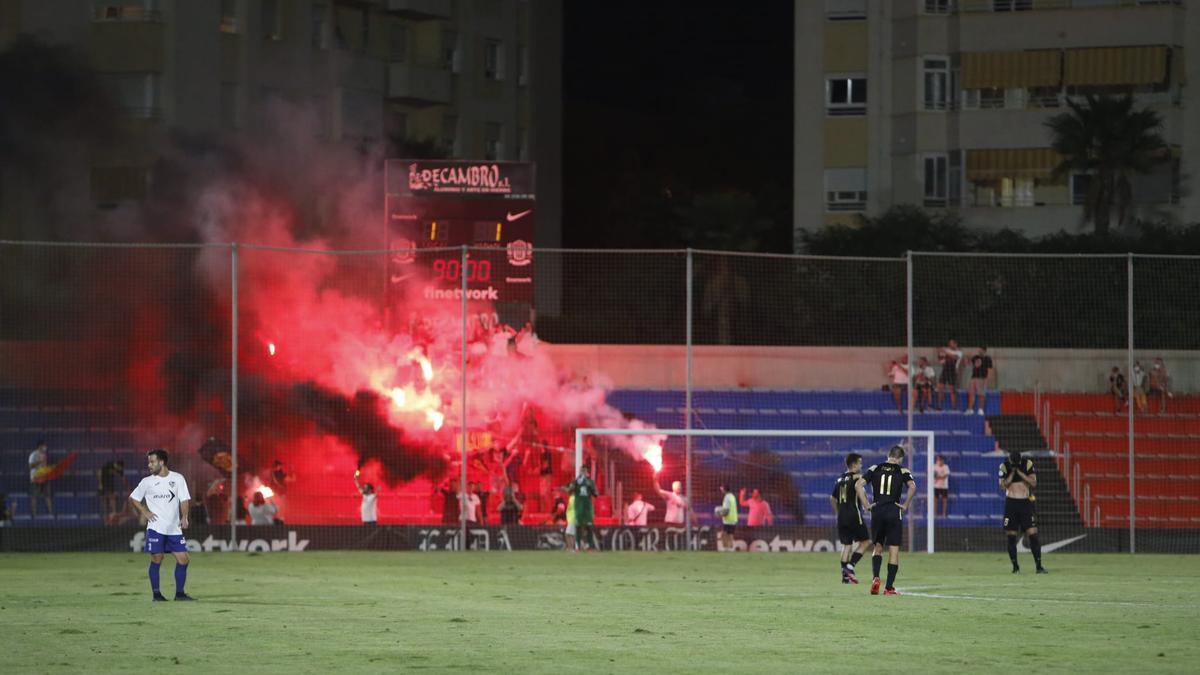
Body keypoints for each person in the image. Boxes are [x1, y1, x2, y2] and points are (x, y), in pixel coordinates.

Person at [127, 448, 194, 601]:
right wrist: (144, 512)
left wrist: (184, 517)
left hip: (174, 529)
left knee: (184, 559)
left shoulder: (178, 478)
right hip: (156, 528)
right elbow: (134, 498)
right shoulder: (147, 482)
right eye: (149, 462)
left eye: (152, 462)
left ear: (162, 462)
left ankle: (180, 594)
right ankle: (157, 595)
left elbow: (184, 499)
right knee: (157, 558)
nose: (149, 465)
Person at [855, 445, 917, 596]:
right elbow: (913, 487)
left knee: (878, 547)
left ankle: (876, 577)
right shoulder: (903, 470)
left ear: (888, 455)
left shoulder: (875, 468)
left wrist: (866, 505)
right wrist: (905, 505)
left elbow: (858, 485)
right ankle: (889, 588)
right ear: (900, 458)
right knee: (894, 550)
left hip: (877, 511)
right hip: (893, 511)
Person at [999, 450, 1047, 574]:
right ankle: (1015, 567)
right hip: (1011, 504)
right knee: (1011, 537)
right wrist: (1012, 473)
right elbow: (1003, 485)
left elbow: (1033, 482)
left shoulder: (1027, 464)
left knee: (1033, 535)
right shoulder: (1004, 466)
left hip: (1025, 503)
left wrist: (1019, 472)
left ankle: (1039, 566)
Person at [831, 453, 871, 584]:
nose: (861, 465)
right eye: (860, 463)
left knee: (846, 545)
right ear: (854, 464)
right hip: (854, 515)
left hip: (841, 516)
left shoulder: (839, 480)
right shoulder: (857, 478)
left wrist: (838, 512)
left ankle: (845, 576)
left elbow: (832, 499)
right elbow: (860, 492)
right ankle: (850, 566)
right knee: (865, 542)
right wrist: (867, 506)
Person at [565, 465, 600, 551]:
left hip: (588, 509)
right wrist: (573, 486)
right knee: (578, 527)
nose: (583, 473)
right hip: (579, 509)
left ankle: (590, 547)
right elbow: (569, 491)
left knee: (589, 527)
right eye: (582, 471)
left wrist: (591, 487)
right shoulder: (576, 482)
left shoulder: (590, 482)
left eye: (584, 471)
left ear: (587, 472)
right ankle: (578, 547)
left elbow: (596, 494)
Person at [965, 346, 995, 415]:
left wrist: (987, 379)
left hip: (982, 378)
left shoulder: (988, 358)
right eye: (978, 349)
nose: (978, 350)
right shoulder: (975, 357)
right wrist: (967, 357)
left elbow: (989, 370)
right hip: (973, 378)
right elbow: (967, 364)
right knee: (971, 394)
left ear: (984, 350)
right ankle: (970, 409)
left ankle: (980, 409)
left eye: (980, 349)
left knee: (982, 395)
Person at [28, 440, 54, 517]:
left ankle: (50, 514)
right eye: (44, 446)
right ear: (40, 446)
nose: (45, 447)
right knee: (34, 496)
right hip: (35, 478)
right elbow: (30, 466)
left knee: (47, 496)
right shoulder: (33, 455)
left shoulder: (44, 455)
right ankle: (34, 514)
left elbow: (44, 466)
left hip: (44, 478)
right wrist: (39, 462)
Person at [936, 339, 963, 411]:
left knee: (952, 390)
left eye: (951, 343)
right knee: (940, 388)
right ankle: (939, 406)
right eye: (949, 343)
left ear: (955, 344)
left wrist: (945, 352)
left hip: (952, 371)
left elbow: (955, 358)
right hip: (945, 370)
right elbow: (941, 361)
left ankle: (954, 407)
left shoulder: (959, 352)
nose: (950, 345)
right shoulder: (946, 350)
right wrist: (939, 354)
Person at [99, 459, 126, 524]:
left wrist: (126, 485)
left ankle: (114, 511)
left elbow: (123, 478)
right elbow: (100, 472)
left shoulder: (119, 469)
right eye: (120, 468)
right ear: (117, 465)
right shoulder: (109, 465)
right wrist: (100, 484)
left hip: (110, 483)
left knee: (113, 496)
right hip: (103, 482)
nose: (120, 469)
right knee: (104, 498)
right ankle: (105, 514)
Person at [716, 484, 738, 551]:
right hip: (733, 519)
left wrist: (719, 514)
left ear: (725, 490)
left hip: (728, 519)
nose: (721, 490)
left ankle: (726, 548)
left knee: (724, 535)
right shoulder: (732, 496)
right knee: (730, 535)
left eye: (722, 489)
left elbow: (726, 510)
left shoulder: (727, 497)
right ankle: (731, 548)